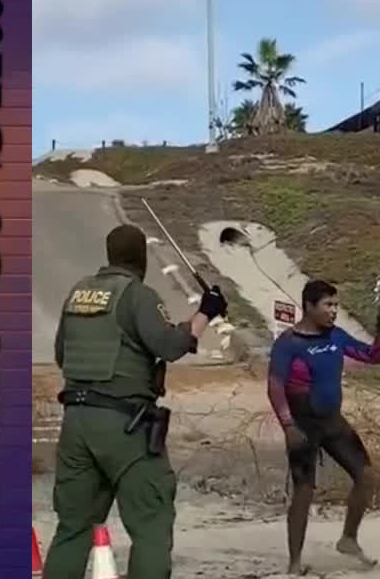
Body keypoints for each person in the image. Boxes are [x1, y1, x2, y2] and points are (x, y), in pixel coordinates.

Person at [43, 224, 228, 579]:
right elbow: (171, 345)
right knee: (152, 525)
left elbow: (62, 354)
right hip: (123, 424)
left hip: (76, 422)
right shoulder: (138, 295)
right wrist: (206, 311)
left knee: (72, 529)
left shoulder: (78, 293)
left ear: (109, 254)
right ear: (141, 257)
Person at [266, 279, 380, 575]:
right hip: (303, 426)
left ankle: (348, 539)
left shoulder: (336, 336)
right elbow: (274, 387)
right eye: (328, 305)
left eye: (336, 305)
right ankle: (295, 563)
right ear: (309, 306)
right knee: (304, 492)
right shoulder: (288, 344)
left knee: (366, 475)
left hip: (333, 422)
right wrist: (288, 426)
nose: (334, 311)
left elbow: (373, 357)